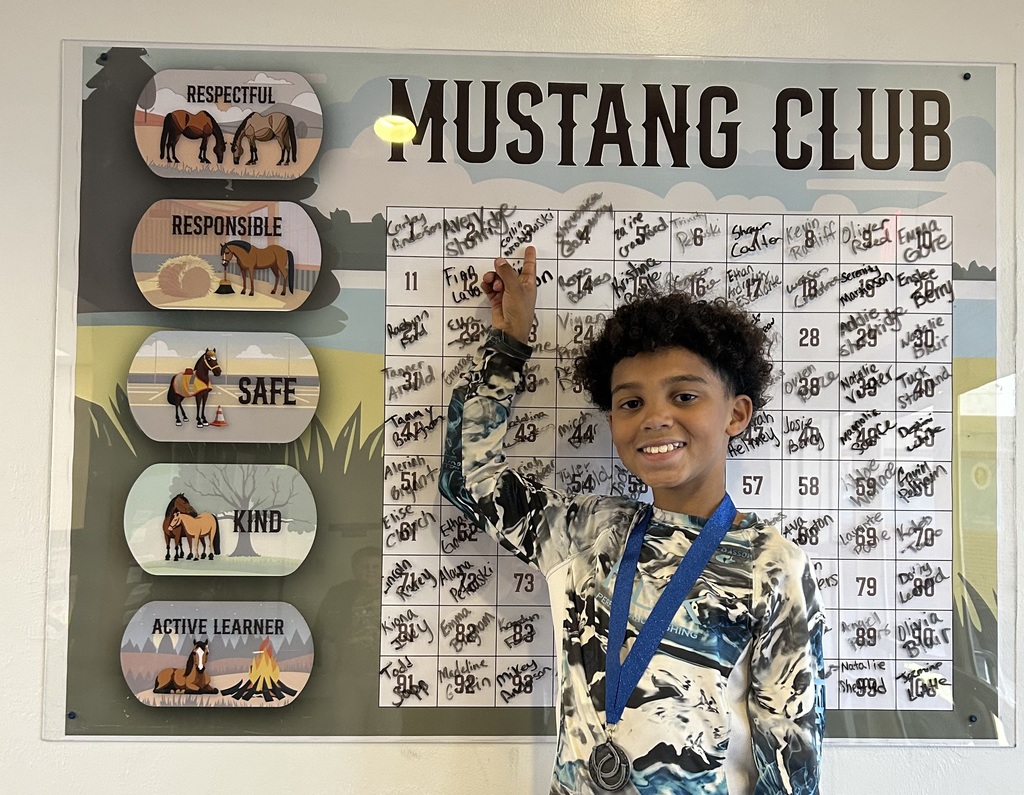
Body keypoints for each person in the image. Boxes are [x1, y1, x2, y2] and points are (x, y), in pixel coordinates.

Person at [439, 245, 824, 794]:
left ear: (736, 413)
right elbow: (469, 478)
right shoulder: (584, 534)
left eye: (684, 395)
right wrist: (509, 346)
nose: (655, 418)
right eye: (630, 403)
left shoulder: (772, 565)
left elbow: (791, 762)